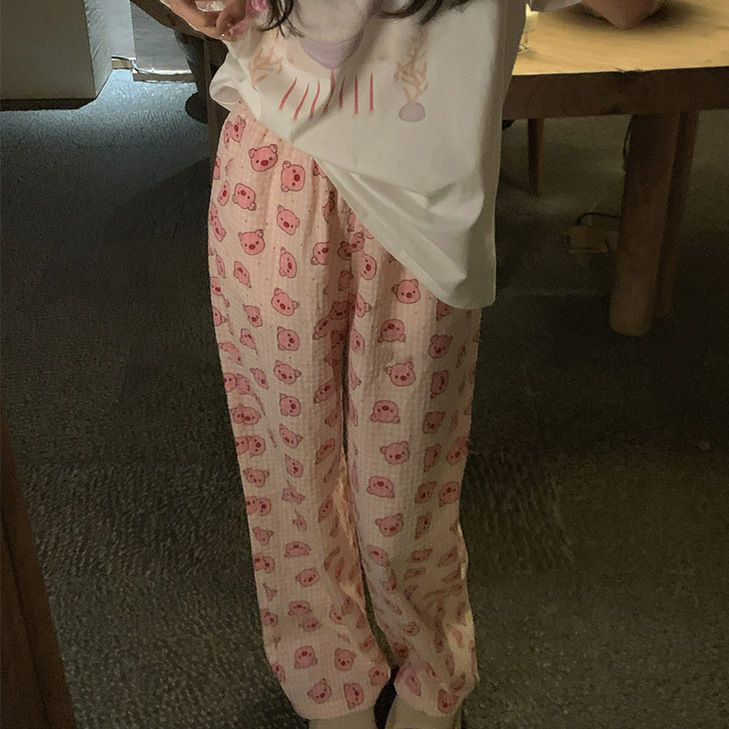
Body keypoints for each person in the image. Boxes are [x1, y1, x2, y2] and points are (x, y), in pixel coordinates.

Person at [159, 1, 662, 728]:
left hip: (421, 201)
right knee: (289, 463)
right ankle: (328, 669)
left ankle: (428, 665)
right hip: (273, 166)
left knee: (405, 477)